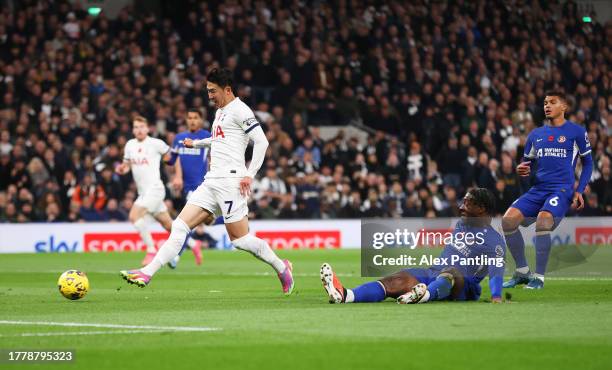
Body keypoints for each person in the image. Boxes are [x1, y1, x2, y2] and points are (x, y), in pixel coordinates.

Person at [120, 68, 295, 294]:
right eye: (208, 91)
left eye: (213, 91)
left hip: (231, 182)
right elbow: (220, 139)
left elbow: (261, 142)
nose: (209, 96)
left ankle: (282, 267)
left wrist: (249, 174)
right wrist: (198, 144)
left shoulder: (241, 110)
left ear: (228, 89)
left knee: (240, 240)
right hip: (211, 181)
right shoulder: (220, 111)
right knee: (179, 226)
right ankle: (147, 272)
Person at [321, 188, 505, 304]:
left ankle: (423, 296)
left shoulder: (494, 241)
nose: (461, 207)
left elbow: (496, 271)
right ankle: (346, 295)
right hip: (433, 273)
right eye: (463, 202)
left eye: (468, 203)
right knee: (396, 279)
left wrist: (496, 296)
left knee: (452, 272)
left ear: (481, 209)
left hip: (463, 287)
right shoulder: (461, 224)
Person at [502, 91, 593, 289]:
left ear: (564, 107)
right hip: (538, 189)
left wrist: (579, 190)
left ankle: (539, 278)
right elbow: (527, 164)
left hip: (561, 189)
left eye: (552, 102)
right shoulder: (535, 134)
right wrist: (521, 169)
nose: (547, 106)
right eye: (545, 102)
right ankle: (522, 272)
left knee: (543, 220)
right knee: (508, 221)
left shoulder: (576, 132)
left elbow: (588, 164)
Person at [115, 116, 174, 266]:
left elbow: (172, 155)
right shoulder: (129, 145)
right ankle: (193, 245)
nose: (139, 130)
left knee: (134, 216)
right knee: (169, 226)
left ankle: (151, 250)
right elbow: (126, 165)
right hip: (143, 193)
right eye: (136, 127)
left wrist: (176, 174)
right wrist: (122, 169)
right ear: (133, 130)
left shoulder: (155, 143)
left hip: (155, 189)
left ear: (147, 129)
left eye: (142, 126)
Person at [165, 108, 211, 269]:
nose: (192, 120)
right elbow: (173, 160)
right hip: (183, 187)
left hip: (199, 185)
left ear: (201, 120)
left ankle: (176, 255)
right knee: (186, 222)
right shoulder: (179, 138)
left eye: (195, 117)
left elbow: (213, 157)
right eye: (189, 117)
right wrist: (177, 175)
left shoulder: (206, 136)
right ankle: (193, 244)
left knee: (186, 223)